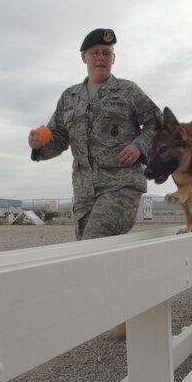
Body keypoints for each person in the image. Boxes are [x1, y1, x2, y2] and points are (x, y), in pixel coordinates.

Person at [28, 28, 161, 240]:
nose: (101, 57)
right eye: (95, 52)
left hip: (121, 187)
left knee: (93, 243)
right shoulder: (70, 97)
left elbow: (158, 124)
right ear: (83, 57)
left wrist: (139, 145)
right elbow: (60, 137)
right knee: (88, 256)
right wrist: (39, 145)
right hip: (84, 193)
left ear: (113, 58)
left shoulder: (128, 91)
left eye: (106, 53)